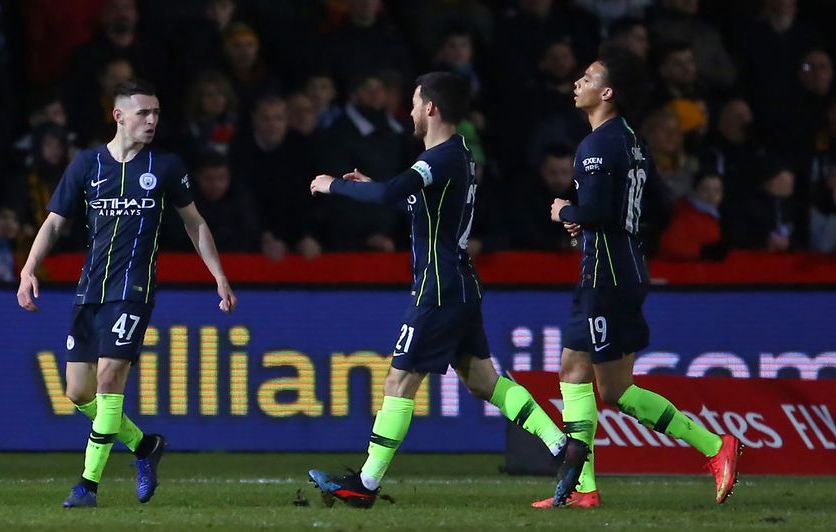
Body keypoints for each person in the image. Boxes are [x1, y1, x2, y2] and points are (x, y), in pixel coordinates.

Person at [306, 72, 576, 509]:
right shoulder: (458, 156)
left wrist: (332, 186)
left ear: (430, 107)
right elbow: (412, 201)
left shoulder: (441, 157)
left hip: (438, 288)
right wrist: (368, 186)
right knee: (483, 380)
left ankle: (366, 485)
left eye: (415, 103)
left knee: (399, 379)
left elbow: (394, 192)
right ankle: (562, 447)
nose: (411, 111)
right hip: (459, 284)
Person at [15, 78, 237, 508]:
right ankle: (144, 446)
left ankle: (87, 485)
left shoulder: (167, 166)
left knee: (108, 378)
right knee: (78, 393)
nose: (152, 120)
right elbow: (55, 223)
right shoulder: (86, 165)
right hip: (89, 288)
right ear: (119, 116)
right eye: (143, 113)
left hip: (133, 290)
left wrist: (219, 276)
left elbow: (195, 223)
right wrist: (28, 269)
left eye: (156, 113)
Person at [538, 50, 742, 508]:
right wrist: (609, 226)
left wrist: (565, 212)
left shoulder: (595, 146)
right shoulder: (632, 139)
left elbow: (598, 211)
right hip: (612, 265)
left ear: (606, 92)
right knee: (572, 370)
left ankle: (714, 446)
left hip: (608, 274)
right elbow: (659, 209)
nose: (578, 81)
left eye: (587, 77)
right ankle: (583, 489)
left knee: (613, 389)